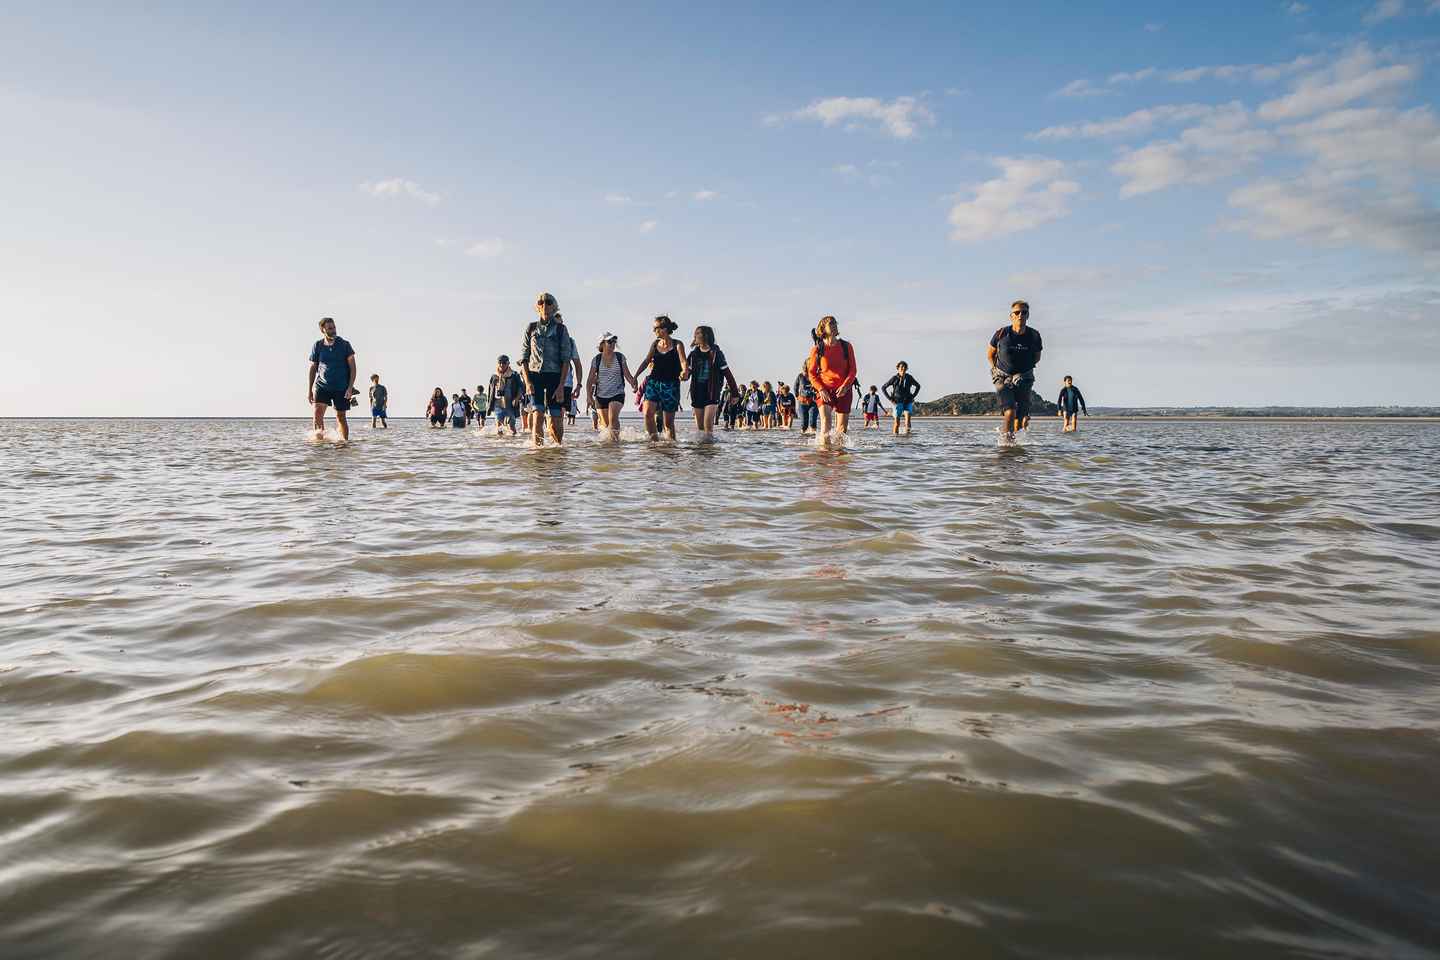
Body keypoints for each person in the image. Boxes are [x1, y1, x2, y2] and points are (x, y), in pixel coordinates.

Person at [519, 292, 583, 445]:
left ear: (554, 307)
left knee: (555, 420)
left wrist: (561, 386)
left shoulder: (561, 330)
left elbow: (566, 360)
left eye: (548, 303)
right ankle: (538, 454)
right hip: (535, 377)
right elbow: (524, 358)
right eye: (541, 303)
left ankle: (558, 453)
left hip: (555, 377)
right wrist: (527, 382)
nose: (544, 306)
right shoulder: (531, 328)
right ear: (537, 307)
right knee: (537, 416)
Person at [987, 300, 1043, 443]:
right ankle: (1006, 444)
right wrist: (995, 370)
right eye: (1017, 313)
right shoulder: (1001, 334)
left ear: (1028, 315)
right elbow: (990, 354)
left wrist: (1022, 372)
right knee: (1010, 411)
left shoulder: (1034, 335)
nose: (1020, 315)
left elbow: (1037, 358)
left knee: (1020, 417)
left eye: (1024, 312)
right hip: (1002, 377)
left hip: (1024, 377)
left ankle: (1015, 447)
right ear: (1011, 316)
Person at [634, 316, 689, 440]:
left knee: (668, 423)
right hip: (653, 382)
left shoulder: (677, 344)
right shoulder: (655, 344)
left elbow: (683, 362)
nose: (654, 331)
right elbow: (646, 361)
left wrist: (685, 371)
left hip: (671, 385)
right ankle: (654, 443)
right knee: (648, 414)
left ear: (664, 329)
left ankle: (671, 447)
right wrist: (635, 376)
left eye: (655, 328)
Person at [683, 325, 740, 440]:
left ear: (707, 336)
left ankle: (710, 452)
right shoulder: (693, 355)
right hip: (697, 392)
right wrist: (681, 375)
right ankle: (701, 453)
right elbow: (687, 373)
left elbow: (727, 374)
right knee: (700, 429)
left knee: (708, 426)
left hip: (712, 392)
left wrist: (735, 393)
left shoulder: (717, 353)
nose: (697, 336)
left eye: (700, 334)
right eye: (696, 333)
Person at [807, 315, 857, 439]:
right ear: (823, 328)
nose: (834, 326)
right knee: (826, 424)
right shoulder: (817, 350)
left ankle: (839, 456)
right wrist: (820, 389)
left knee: (842, 430)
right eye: (831, 324)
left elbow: (853, 370)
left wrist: (846, 386)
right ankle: (825, 456)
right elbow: (812, 373)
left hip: (844, 390)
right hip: (825, 390)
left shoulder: (847, 346)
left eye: (835, 323)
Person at [307, 317, 356, 442]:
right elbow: (313, 367)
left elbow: (353, 367)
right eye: (330, 328)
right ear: (323, 330)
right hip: (322, 386)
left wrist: (350, 387)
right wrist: (309, 390)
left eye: (334, 327)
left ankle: (344, 444)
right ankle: (320, 445)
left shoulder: (344, 345)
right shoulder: (317, 345)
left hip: (341, 387)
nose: (333, 330)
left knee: (341, 417)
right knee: (317, 414)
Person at [588, 332, 639, 442]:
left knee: (613, 417)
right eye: (609, 341)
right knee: (606, 426)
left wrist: (633, 384)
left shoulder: (620, 357)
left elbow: (627, 374)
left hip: (617, 393)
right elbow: (590, 380)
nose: (612, 344)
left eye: (614, 341)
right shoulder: (596, 360)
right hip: (601, 396)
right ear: (602, 344)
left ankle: (615, 445)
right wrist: (589, 396)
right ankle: (610, 447)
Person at [488, 355, 524, 435]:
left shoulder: (514, 375)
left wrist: (517, 398)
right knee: (499, 426)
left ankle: (513, 445)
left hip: (510, 404)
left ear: (508, 363)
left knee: (511, 426)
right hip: (498, 404)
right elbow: (490, 391)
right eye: (499, 363)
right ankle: (501, 445)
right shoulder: (494, 376)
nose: (501, 365)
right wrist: (489, 406)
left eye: (504, 363)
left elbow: (521, 388)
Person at [883, 361, 922, 435]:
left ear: (906, 368)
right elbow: (883, 387)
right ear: (898, 368)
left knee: (908, 421)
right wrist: (890, 399)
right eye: (901, 367)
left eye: (904, 367)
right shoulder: (894, 378)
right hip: (897, 402)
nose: (903, 369)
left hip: (908, 401)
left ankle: (908, 437)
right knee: (897, 423)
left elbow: (918, 386)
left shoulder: (909, 377)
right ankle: (895, 438)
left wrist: (913, 396)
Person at [794, 367, 819, 434]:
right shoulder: (800, 376)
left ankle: (814, 439)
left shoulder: (817, 375)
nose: (805, 373)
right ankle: (803, 441)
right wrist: (797, 396)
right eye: (804, 371)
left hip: (813, 401)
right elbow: (795, 387)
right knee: (804, 424)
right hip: (802, 402)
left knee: (812, 421)